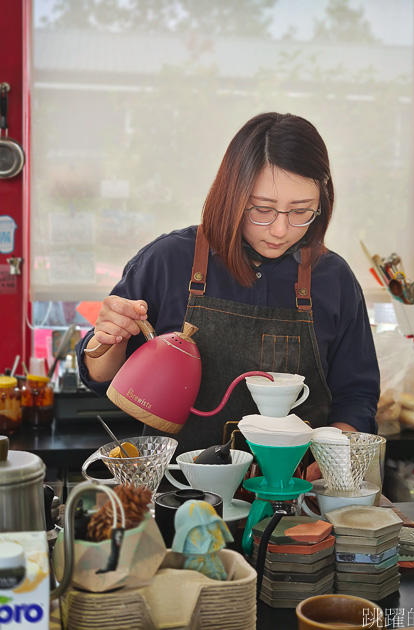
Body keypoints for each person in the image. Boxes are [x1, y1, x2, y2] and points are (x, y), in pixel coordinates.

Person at [77, 112, 380, 479]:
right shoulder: (170, 261)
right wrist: (110, 338)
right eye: (263, 209)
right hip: (180, 496)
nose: (281, 229)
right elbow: (102, 377)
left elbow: (356, 396)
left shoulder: (333, 279)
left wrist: (332, 460)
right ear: (232, 194)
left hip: (295, 504)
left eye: (301, 211)